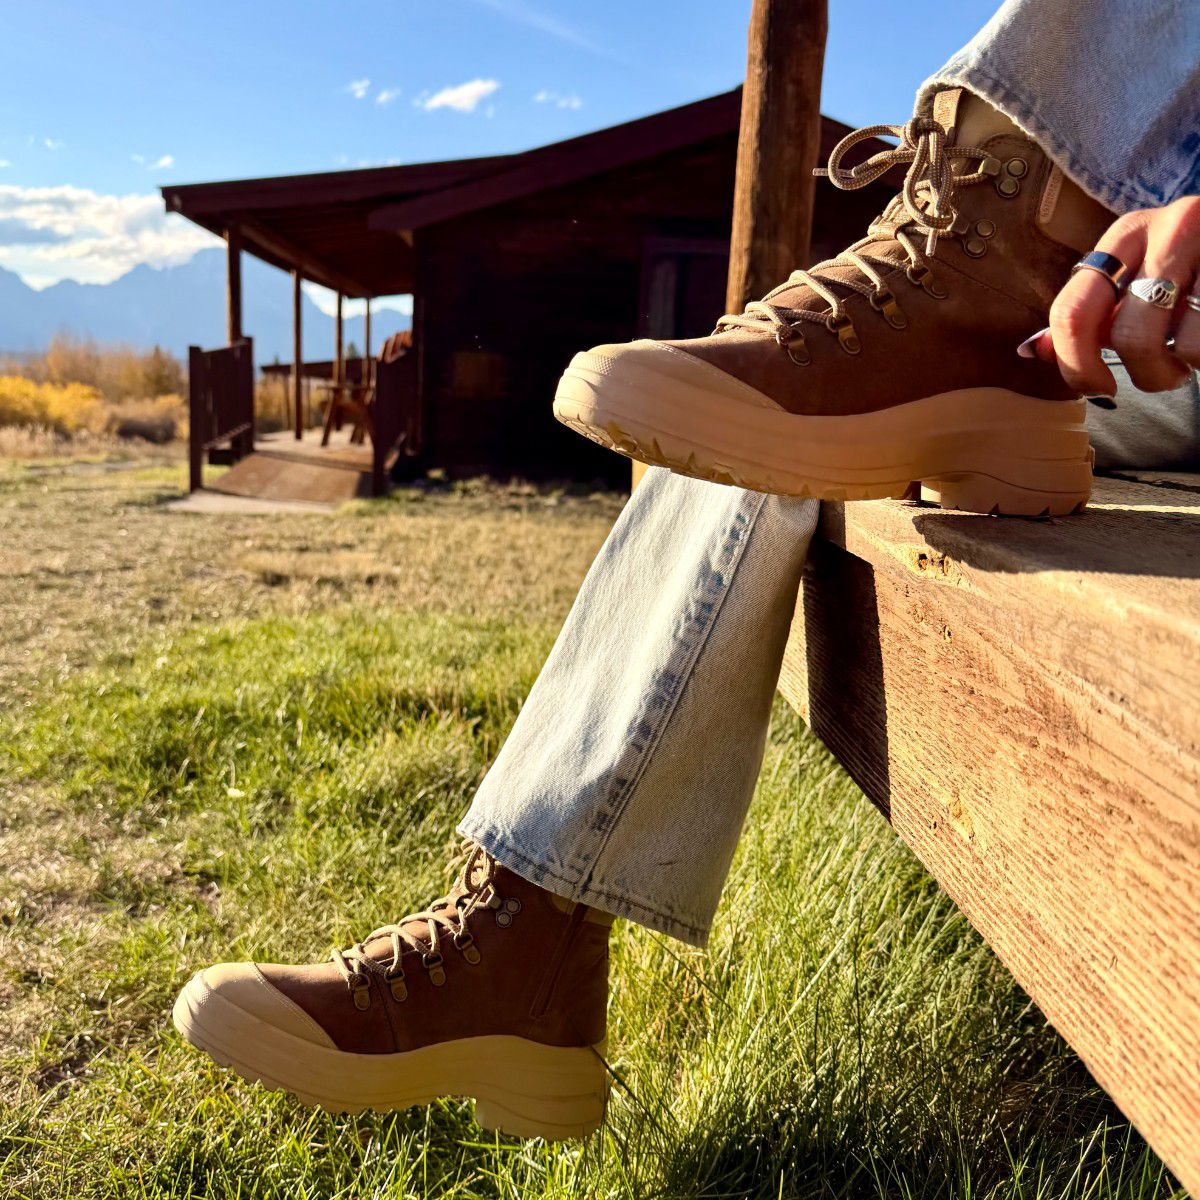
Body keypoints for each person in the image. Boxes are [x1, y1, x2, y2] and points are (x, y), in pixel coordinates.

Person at [171, 0, 1200, 1140]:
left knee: (787, 395)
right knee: (737, 406)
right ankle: (524, 933)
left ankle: (522, 952)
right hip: (1113, 334)